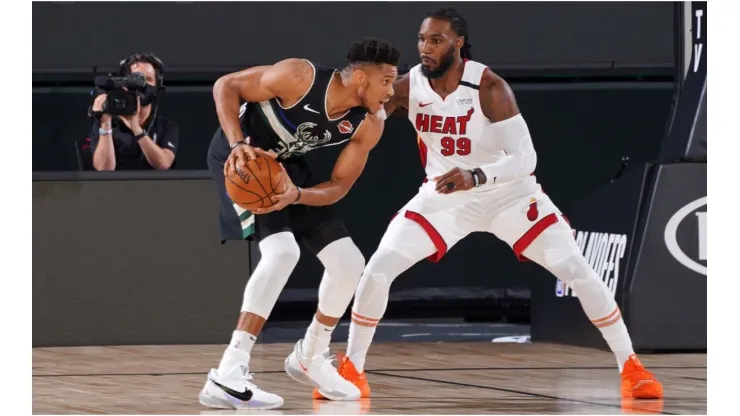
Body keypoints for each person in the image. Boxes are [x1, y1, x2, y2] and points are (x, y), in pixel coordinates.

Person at [323, 8, 664, 401]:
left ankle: (631, 366)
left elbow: (526, 158)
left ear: (458, 44)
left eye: (436, 40)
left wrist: (477, 175)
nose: (425, 48)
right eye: (421, 39)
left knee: (576, 269)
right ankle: (353, 368)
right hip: (446, 196)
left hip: (510, 194)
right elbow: (357, 110)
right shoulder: (406, 87)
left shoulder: (489, 86)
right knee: (378, 269)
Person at [200, 38, 400, 410]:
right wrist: (236, 144)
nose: (392, 91)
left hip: (285, 172)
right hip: (242, 162)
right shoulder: (300, 77)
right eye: (386, 81)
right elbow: (225, 86)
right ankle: (229, 370)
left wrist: (297, 195)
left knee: (350, 263)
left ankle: (311, 353)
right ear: (360, 77)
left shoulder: (370, 124)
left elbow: (339, 185)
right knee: (282, 252)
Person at [88, 53, 179, 171]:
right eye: (136, 78)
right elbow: (104, 169)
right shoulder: (106, 122)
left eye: (149, 79)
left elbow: (164, 164)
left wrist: (137, 130)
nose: (142, 84)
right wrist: (105, 125)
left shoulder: (166, 127)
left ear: (157, 87)